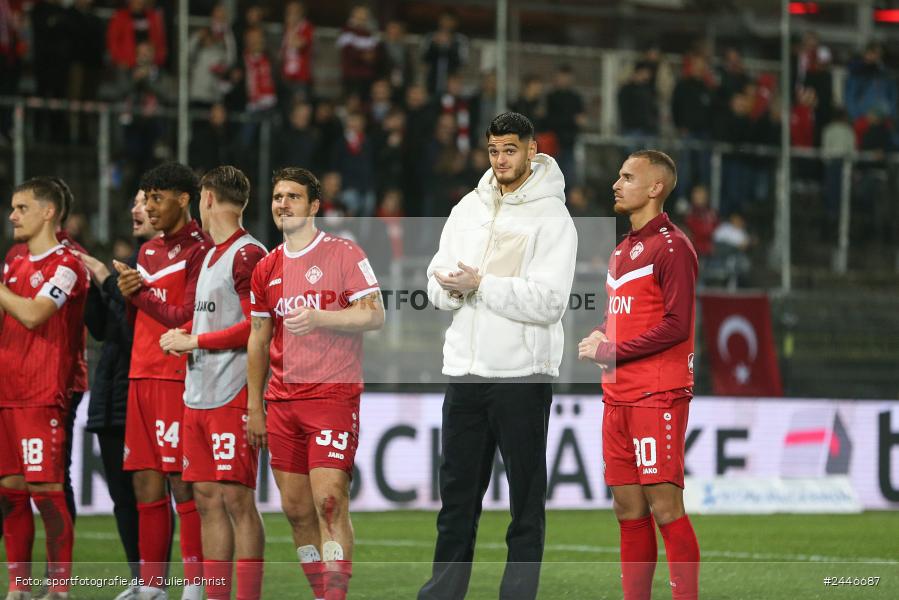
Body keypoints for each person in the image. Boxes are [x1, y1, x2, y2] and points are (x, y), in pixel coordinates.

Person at [420, 112, 578, 600]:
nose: (501, 159)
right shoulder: (468, 207)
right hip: (465, 372)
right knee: (456, 502)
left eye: (510, 149)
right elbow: (433, 281)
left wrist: (480, 286)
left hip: (522, 376)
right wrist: (452, 291)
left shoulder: (554, 217)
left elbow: (550, 301)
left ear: (532, 150)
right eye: (493, 150)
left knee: (525, 504)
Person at [246, 167, 384, 600]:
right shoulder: (266, 267)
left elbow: (374, 314)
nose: (282, 203)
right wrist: (254, 405)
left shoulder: (344, 254)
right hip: (282, 403)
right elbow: (258, 337)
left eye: (292, 196)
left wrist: (323, 316)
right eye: (277, 196)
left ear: (314, 206)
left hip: (332, 396)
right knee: (295, 510)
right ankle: (322, 593)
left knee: (329, 501)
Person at [577, 150, 700, 600]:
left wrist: (612, 349)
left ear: (656, 187)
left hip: (658, 395)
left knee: (665, 507)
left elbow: (676, 325)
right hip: (618, 396)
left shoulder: (673, 247)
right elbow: (624, 317)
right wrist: (601, 335)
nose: (616, 183)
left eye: (628, 177)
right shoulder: (621, 250)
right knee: (627, 508)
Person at [158, 166, 268, 600]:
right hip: (198, 393)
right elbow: (210, 317)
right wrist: (182, 332)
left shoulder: (248, 254)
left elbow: (255, 328)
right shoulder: (209, 255)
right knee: (205, 497)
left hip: (232, 391)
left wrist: (194, 339)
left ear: (205, 198)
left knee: (237, 500)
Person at [115, 163, 212, 600]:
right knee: (145, 480)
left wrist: (139, 294)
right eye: (145, 197)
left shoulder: (202, 251)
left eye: (157, 197)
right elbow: (144, 315)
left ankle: (193, 583)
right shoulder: (148, 252)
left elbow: (189, 317)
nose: (148, 207)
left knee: (181, 480)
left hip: (177, 376)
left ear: (184, 199)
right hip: (141, 373)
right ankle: (151, 586)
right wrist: (129, 293)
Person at [0, 177, 90, 600]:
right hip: (6, 391)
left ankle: (59, 589)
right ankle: (19, 586)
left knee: (46, 492)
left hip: (42, 391)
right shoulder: (14, 257)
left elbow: (36, 314)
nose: (13, 215)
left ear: (47, 212)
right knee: (11, 491)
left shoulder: (69, 264)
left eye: (21, 208)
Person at [75, 190, 162, 600]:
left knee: (150, 492)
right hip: (111, 390)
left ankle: (158, 581)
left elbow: (141, 335)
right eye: (135, 203)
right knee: (120, 496)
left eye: (145, 202)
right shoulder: (135, 261)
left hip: (144, 392)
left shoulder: (163, 264)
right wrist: (93, 288)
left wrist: (109, 283)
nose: (136, 209)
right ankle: (138, 578)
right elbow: (103, 330)